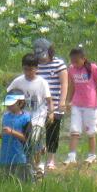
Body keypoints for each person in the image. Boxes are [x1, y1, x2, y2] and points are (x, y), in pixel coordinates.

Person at [7, 53, 51, 177]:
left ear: (36, 69)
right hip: (23, 116)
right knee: (24, 141)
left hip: (38, 116)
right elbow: (9, 93)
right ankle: (29, 164)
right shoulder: (18, 81)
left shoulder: (42, 82)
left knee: (33, 140)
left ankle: (38, 165)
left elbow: (49, 99)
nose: (28, 72)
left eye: (31, 69)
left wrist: (51, 113)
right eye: (26, 69)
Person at [33, 39, 69, 174]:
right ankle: (37, 157)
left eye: (43, 54)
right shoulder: (36, 65)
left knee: (52, 132)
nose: (41, 58)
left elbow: (64, 83)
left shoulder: (58, 63)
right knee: (37, 131)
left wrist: (62, 101)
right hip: (40, 105)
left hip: (55, 103)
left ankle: (51, 159)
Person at [64, 47, 97, 164]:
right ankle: (71, 156)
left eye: (76, 61)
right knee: (74, 130)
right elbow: (72, 86)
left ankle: (92, 155)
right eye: (72, 61)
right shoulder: (71, 69)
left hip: (90, 104)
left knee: (91, 131)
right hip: (77, 104)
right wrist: (68, 101)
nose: (74, 64)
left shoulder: (92, 68)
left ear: (83, 59)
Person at [0, 90, 32, 182]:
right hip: (5, 156)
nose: (8, 107)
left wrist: (12, 132)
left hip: (19, 157)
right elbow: (5, 134)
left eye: (11, 104)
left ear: (20, 103)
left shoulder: (25, 118)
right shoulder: (6, 117)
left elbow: (27, 138)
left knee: (21, 181)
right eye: (7, 104)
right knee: (4, 180)